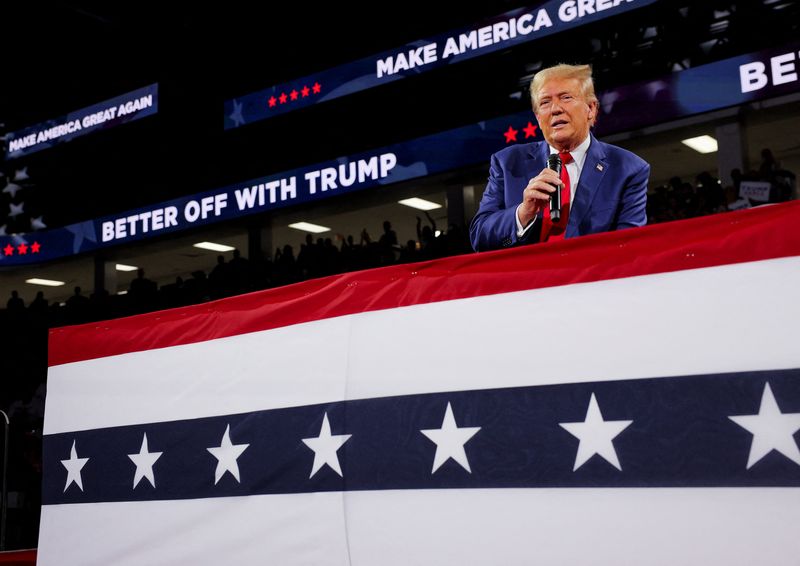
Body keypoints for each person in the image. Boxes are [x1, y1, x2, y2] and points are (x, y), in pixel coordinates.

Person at [470, 63, 649, 251]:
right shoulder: (507, 162)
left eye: (566, 97)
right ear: (538, 118)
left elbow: (629, 247)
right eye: (545, 102)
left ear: (591, 108)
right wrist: (523, 212)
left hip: (590, 277)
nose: (555, 109)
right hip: (525, 277)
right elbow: (480, 238)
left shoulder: (628, 168)